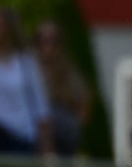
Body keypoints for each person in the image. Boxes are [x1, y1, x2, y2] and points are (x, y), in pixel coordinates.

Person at [0, 6, 54, 156]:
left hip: (18, 137)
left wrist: (46, 145)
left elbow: (40, 106)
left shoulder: (25, 63)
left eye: (1, 26)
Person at [33, 20, 93, 157]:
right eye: (41, 40)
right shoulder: (24, 69)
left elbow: (84, 105)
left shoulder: (69, 72)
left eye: (52, 41)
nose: (46, 46)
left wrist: (73, 124)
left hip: (61, 135)